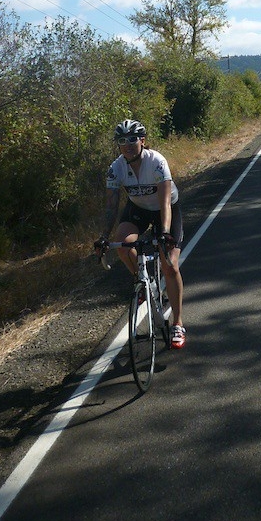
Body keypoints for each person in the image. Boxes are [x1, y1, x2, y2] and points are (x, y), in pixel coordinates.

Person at [93, 119, 186, 349]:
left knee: (170, 264)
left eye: (132, 139)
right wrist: (104, 236)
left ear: (142, 141)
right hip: (138, 209)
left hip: (165, 210)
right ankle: (143, 281)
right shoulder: (115, 168)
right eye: (122, 141)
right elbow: (111, 207)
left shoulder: (156, 162)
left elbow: (165, 202)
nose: (127, 144)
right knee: (122, 244)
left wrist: (165, 233)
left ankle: (177, 323)